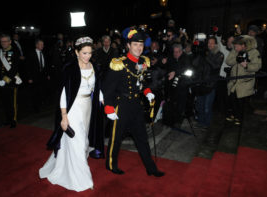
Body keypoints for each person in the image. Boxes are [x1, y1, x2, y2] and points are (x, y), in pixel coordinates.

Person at [39, 36, 104, 192]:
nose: (88, 56)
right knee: (78, 142)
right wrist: (64, 116)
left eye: (90, 53)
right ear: (76, 52)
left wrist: (101, 97)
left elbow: (96, 85)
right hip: (73, 109)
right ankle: (83, 179)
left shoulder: (94, 65)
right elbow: (63, 94)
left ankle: (67, 165)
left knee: (83, 141)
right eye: (84, 53)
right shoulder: (70, 68)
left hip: (88, 106)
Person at [102, 28, 165, 177]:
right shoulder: (119, 63)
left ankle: (151, 168)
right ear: (128, 45)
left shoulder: (144, 62)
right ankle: (111, 164)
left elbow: (143, 83)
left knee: (142, 138)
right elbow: (108, 88)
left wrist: (147, 92)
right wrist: (109, 108)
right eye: (135, 44)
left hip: (136, 106)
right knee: (116, 138)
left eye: (141, 45)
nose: (139, 48)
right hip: (121, 105)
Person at [226, 35, 262, 125]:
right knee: (232, 99)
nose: (235, 47)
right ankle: (234, 115)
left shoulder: (254, 52)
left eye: (237, 45)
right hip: (234, 81)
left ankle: (239, 118)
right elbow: (228, 61)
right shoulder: (235, 51)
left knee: (241, 101)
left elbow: (257, 66)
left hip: (245, 82)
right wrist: (237, 58)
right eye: (234, 46)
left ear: (243, 45)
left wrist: (246, 66)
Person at [0, 34, 22, 128]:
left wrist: (5, 80)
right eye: (2, 41)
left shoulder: (15, 52)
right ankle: (8, 119)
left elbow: (14, 68)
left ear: (10, 42)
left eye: (5, 41)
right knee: (5, 101)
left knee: (12, 102)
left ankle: (13, 120)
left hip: (11, 81)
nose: (3, 43)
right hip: (0, 81)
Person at [25, 38, 51, 112]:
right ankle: (35, 107)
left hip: (42, 76)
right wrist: (29, 77)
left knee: (42, 90)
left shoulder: (44, 53)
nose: (42, 46)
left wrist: (47, 74)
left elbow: (46, 65)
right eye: (40, 44)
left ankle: (41, 104)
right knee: (34, 92)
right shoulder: (31, 53)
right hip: (34, 76)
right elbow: (28, 66)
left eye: (43, 44)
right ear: (36, 45)